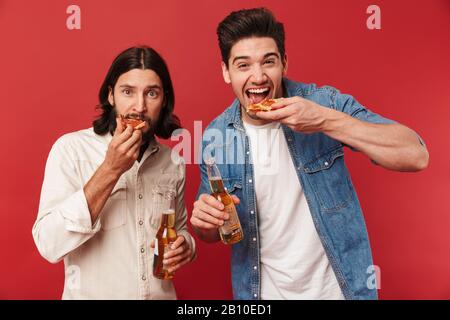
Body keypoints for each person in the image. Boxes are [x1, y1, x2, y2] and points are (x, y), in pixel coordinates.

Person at [191, 8, 429, 300]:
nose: (258, 76)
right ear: (226, 71)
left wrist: (325, 120)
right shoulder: (218, 137)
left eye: (269, 61)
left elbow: (416, 155)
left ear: (285, 63)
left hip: (338, 292)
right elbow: (211, 232)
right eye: (243, 65)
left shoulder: (321, 102)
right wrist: (204, 223)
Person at [33, 46, 196, 299]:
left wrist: (187, 245)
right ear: (111, 96)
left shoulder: (172, 161)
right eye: (127, 92)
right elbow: (49, 244)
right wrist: (110, 169)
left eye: (151, 93)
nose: (139, 107)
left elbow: (181, 229)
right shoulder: (70, 150)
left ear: (164, 100)